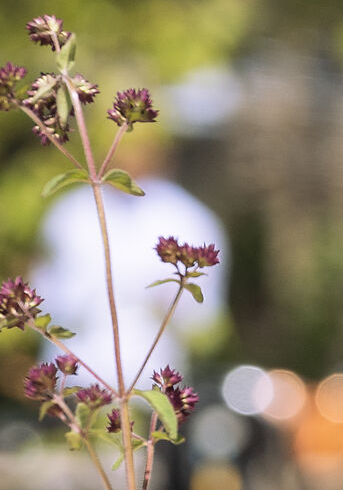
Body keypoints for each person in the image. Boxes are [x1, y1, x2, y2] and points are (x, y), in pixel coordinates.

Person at [32, 131, 227, 377]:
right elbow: (43, 292)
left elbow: (204, 320)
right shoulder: (68, 214)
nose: (129, 157)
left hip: (151, 380)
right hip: (70, 379)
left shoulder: (188, 219)